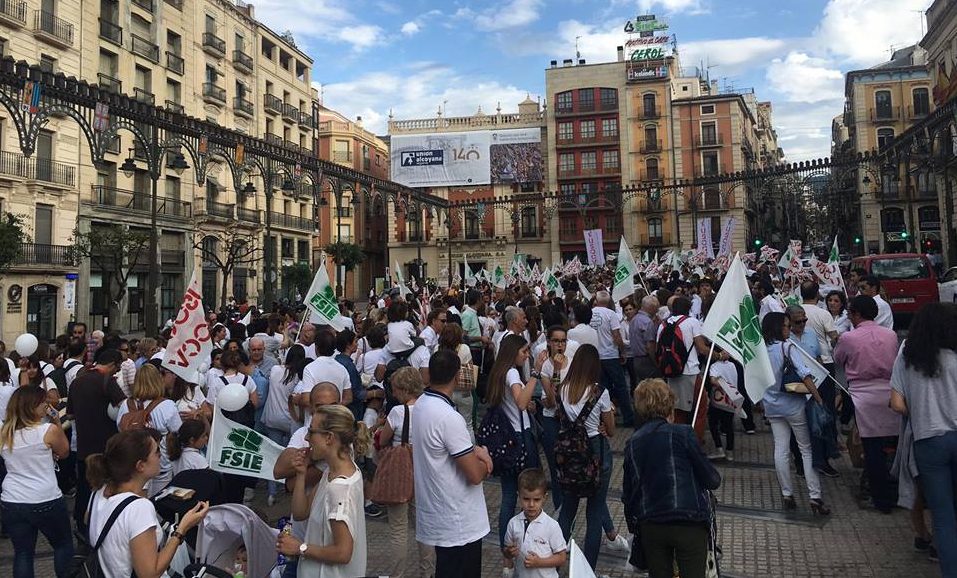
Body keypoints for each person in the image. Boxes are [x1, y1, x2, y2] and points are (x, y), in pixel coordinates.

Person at [622, 378, 721, 578]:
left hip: (652, 524)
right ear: (670, 405)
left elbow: (629, 494)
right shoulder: (683, 433)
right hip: (688, 521)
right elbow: (712, 480)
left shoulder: (633, 443)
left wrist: (635, 528)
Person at [86, 429, 210, 578]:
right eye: (156, 452)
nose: (161, 456)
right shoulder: (139, 507)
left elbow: (91, 522)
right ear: (140, 466)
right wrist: (182, 529)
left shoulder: (99, 490)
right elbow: (149, 574)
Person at [890, 302, 957, 577]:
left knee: (943, 516)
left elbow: (897, 404)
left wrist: (921, 409)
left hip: (928, 441)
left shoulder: (908, 356)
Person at [413, 350, 493, 578]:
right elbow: (474, 474)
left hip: (439, 514)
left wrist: (473, 451)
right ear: (457, 376)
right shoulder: (448, 417)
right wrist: (486, 461)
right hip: (458, 521)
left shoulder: (421, 405)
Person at [555, 344, 626, 569]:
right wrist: (606, 420)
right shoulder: (599, 392)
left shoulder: (562, 389)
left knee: (568, 509)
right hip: (596, 450)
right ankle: (587, 569)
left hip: (569, 454)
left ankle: (553, 565)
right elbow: (611, 430)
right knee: (594, 512)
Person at [276, 404, 369, 578]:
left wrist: (299, 548)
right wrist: (301, 474)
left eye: (311, 432)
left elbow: (343, 553)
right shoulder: (332, 472)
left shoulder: (339, 489)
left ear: (329, 437)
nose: (306, 437)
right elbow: (300, 513)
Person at [834, 295, 900, 512]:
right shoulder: (890, 335)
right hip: (890, 394)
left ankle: (881, 499)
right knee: (891, 446)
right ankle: (895, 492)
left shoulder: (848, 338)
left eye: (850, 313)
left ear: (856, 314)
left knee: (872, 450)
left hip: (863, 396)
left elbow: (838, 359)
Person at [760, 312, 830, 515]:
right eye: (787, 326)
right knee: (806, 449)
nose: (789, 330)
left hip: (771, 405)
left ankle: (787, 494)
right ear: (778, 328)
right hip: (793, 405)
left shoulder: (760, 350)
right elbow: (804, 374)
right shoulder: (787, 347)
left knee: (780, 449)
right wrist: (818, 398)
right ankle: (815, 497)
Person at [0, 386, 72, 578]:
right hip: (45, 497)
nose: (46, 406)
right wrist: (56, 420)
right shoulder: (47, 431)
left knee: (23, 553)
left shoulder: (5, 433)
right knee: (63, 544)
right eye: (43, 403)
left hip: (12, 499)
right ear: (32, 406)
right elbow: (64, 452)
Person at [376, 367, 435, 578]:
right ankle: (427, 573)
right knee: (424, 528)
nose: (393, 393)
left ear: (403, 389)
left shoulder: (398, 412)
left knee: (398, 531)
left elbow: (383, 440)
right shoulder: (429, 409)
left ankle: (397, 575)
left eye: (395, 389)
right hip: (424, 474)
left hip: (399, 475)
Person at [487, 334, 540, 549]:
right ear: (513, 352)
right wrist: (535, 374)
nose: (527, 355)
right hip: (519, 438)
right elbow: (520, 402)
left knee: (508, 495)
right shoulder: (511, 372)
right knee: (527, 492)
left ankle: (506, 547)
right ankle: (524, 542)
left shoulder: (498, 372)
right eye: (524, 351)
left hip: (505, 439)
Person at [67, 348, 126, 532]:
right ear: (112, 364)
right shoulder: (108, 381)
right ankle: (100, 525)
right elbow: (123, 407)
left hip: (83, 446)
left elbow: (70, 414)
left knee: (84, 487)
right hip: (105, 446)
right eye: (117, 367)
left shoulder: (77, 382)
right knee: (104, 487)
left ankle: (80, 523)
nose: (117, 372)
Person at [115, 364, 183, 497]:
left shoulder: (125, 405)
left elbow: (120, 428)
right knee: (159, 503)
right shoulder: (167, 405)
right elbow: (178, 432)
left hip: (134, 466)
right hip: (160, 466)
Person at [536, 325, 577, 509]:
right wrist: (557, 371)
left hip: (570, 421)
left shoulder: (573, 363)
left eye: (563, 341)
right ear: (549, 342)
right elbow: (552, 401)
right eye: (556, 341)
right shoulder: (546, 366)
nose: (560, 345)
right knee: (555, 467)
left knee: (571, 467)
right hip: (552, 420)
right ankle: (560, 509)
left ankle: (570, 507)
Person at [503, 468, 567, 577]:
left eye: (536, 500)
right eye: (526, 499)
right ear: (519, 496)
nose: (531, 504)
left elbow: (561, 557)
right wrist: (509, 553)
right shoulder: (513, 523)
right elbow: (506, 551)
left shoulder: (552, 526)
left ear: (544, 498)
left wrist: (539, 562)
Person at [591, 291, 636, 428]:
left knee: (603, 388)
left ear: (597, 300)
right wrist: (622, 351)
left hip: (596, 356)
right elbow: (616, 335)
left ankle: (606, 417)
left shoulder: (590, 313)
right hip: (610, 355)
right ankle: (628, 417)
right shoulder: (611, 314)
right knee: (621, 386)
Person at [437, 322, 475, 432]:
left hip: (444, 391)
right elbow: (470, 366)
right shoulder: (464, 348)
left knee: (445, 425)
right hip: (463, 391)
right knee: (468, 424)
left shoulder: (437, 349)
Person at [630, 295, 660, 385]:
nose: (657, 311)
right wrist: (656, 362)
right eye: (656, 308)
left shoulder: (634, 319)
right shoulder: (647, 322)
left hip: (636, 359)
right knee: (653, 387)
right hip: (647, 360)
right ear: (651, 308)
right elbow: (650, 346)